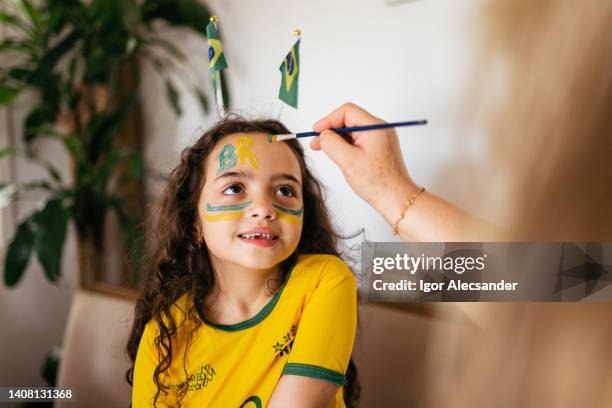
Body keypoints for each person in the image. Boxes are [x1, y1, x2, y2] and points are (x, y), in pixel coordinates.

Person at [309, 1, 612, 407]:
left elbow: (559, 288)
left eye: (286, 189)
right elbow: (559, 284)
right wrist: (390, 190)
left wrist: (390, 195)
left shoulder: (330, 282)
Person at [125, 118, 359, 407]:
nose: (263, 209)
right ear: (193, 222)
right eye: (235, 188)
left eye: (285, 190)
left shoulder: (324, 279)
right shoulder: (162, 336)